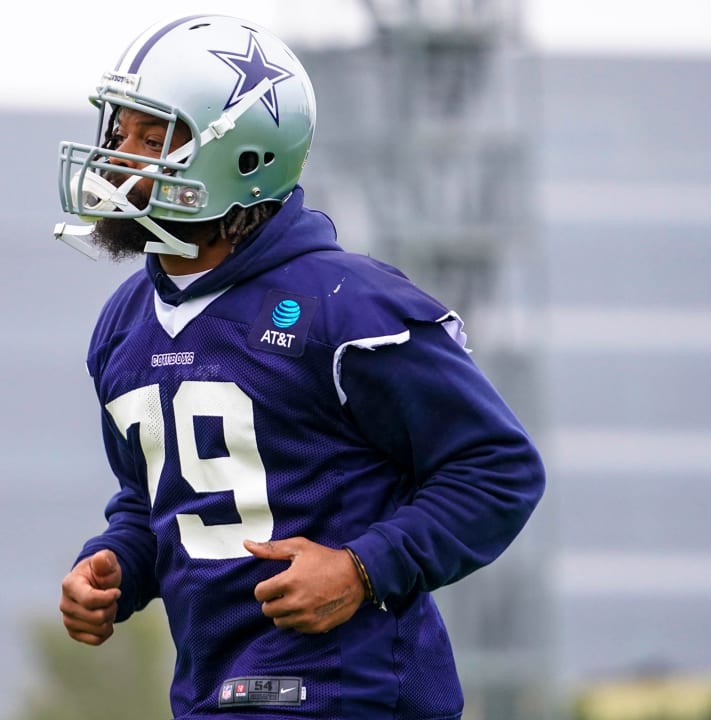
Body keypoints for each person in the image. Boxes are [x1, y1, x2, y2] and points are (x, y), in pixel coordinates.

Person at [51, 14, 545, 720]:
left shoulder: (347, 307)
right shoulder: (124, 325)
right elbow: (159, 497)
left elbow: (498, 467)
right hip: (211, 697)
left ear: (245, 158)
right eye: (118, 133)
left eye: (154, 139)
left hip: (352, 694)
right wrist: (116, 565)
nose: (122, 158)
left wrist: (363, 568)